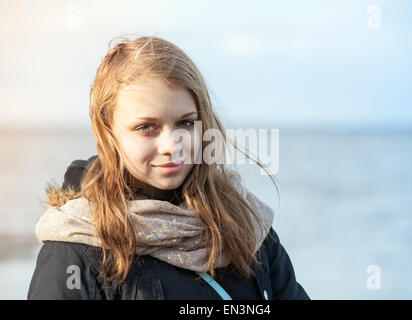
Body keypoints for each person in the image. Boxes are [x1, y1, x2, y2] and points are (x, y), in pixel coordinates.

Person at [27, 35, 310, 300]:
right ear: (107, 131)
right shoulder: (77, 243)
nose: (171, 145)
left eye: (185, 123)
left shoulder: (245, 222)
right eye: (146, 127)